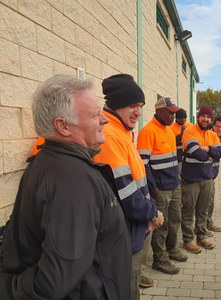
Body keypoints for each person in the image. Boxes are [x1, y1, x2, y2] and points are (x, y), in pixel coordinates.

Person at [0, 74, 131, 299]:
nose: (105, 119)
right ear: (63, 126)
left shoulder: (53, 163)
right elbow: (52, 283)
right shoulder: (71, 182)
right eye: (94, 114)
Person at [93, 74, 164, 300]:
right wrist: (152, 212)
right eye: (132, 105)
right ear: (116, 104)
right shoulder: (110, 136)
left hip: (132, 230)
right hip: (122, 237)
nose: (138, 112)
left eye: (140, 106)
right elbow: (127, 195)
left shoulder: (122, 132)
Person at [137, 97, 188, 275]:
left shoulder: (168, 131)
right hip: (160, 189)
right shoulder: (148, 132)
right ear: (159, 111)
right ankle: (160, 259)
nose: (173, 116)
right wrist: (153, 188)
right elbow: (143, 165)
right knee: (161, 224)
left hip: (174, 185)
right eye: (170, 112)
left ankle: (171, 249)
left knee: (175, 220)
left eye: (175, 112)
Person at [181, 105, 221, 253]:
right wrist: (208, 153)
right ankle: (188, 240)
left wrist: (207, 149)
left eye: (208, 117)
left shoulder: (212, 134)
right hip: (191, 180)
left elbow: (220, 152)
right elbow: (195, 152)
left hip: (207, 179)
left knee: (203, 211)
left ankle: (201, 237)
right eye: (203, 116)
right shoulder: (189, 131)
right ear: (198, 117)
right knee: (188, 211)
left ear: (211, 119)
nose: (205, 119)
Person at [207, 115, 221, 234]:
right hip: (205, 174)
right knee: (206, 202)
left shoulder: (220, 139)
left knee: (210, 201)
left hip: (212, 174)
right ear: (213, 125)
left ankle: (208, 223)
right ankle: (202, 226)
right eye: (218, 126)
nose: (220, 129)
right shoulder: (209, 136)